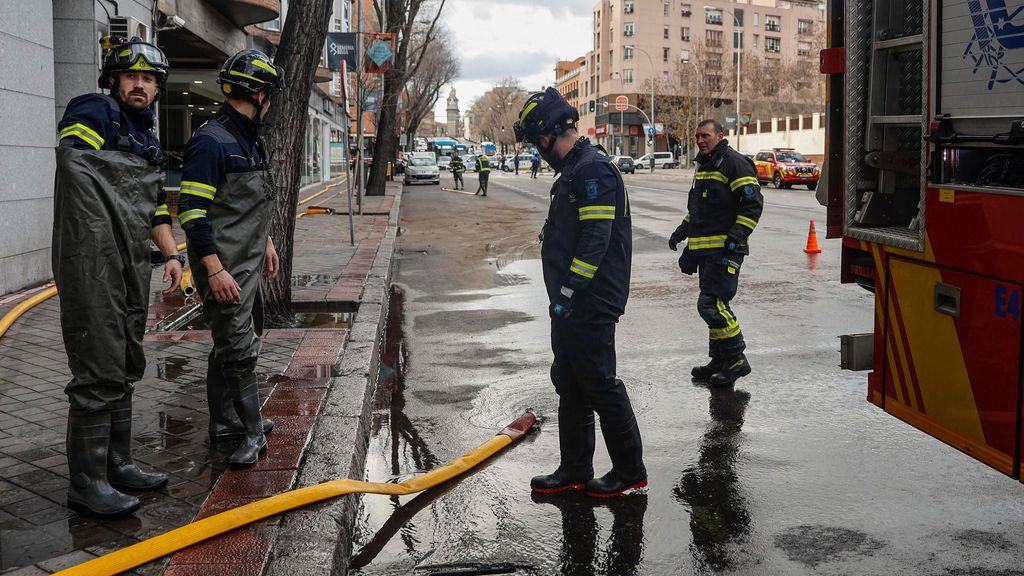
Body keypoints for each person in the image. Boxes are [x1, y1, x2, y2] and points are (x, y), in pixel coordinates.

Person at [52, 36, 181, 517]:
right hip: (91, 261)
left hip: (129, 261)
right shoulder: (94, 111)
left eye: (149, 79)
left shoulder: (147, 141)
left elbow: (151, 209)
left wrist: (173, 257)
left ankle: (118, 463)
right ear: (113, 81)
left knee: (126, 359)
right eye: (132, 77)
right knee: (98, 365)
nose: (141, 86)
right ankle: (87, 482)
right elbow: (76, 166)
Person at [514, 87, 647, 497]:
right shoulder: (574, 170)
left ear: (554, 133)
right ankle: (574, 468)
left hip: (590, 301)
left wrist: (569, 290)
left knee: (599, 382)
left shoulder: (593, 171)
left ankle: (630, 470)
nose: (540, 152)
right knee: (570, 383)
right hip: (569, 303)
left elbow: (596, 239)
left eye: (540, 143)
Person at [178, 49, 284, 468]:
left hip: (248, 262)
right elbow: (192, 213)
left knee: (236, 338)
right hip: (224, 269)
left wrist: (267, 240)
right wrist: (214, 269)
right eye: (269, 93)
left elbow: (250, 204)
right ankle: (253, 434)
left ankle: (225, 421)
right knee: (239, 348)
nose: (271, 100)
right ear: (259, 94)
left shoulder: (248, 137)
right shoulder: (211, 140)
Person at [668, 119, 763, 386]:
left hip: (726, 251)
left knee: (711, 305)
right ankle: (719, 360)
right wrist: (683, 234)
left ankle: (736, 360)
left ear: (720, 136)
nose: (700, 140)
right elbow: (699, 211)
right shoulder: (705, 166)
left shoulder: (734, 163)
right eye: (697, 135)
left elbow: (752, 205)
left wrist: (736, 237)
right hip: (707, 253)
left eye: (706, 135)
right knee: (714, 307)